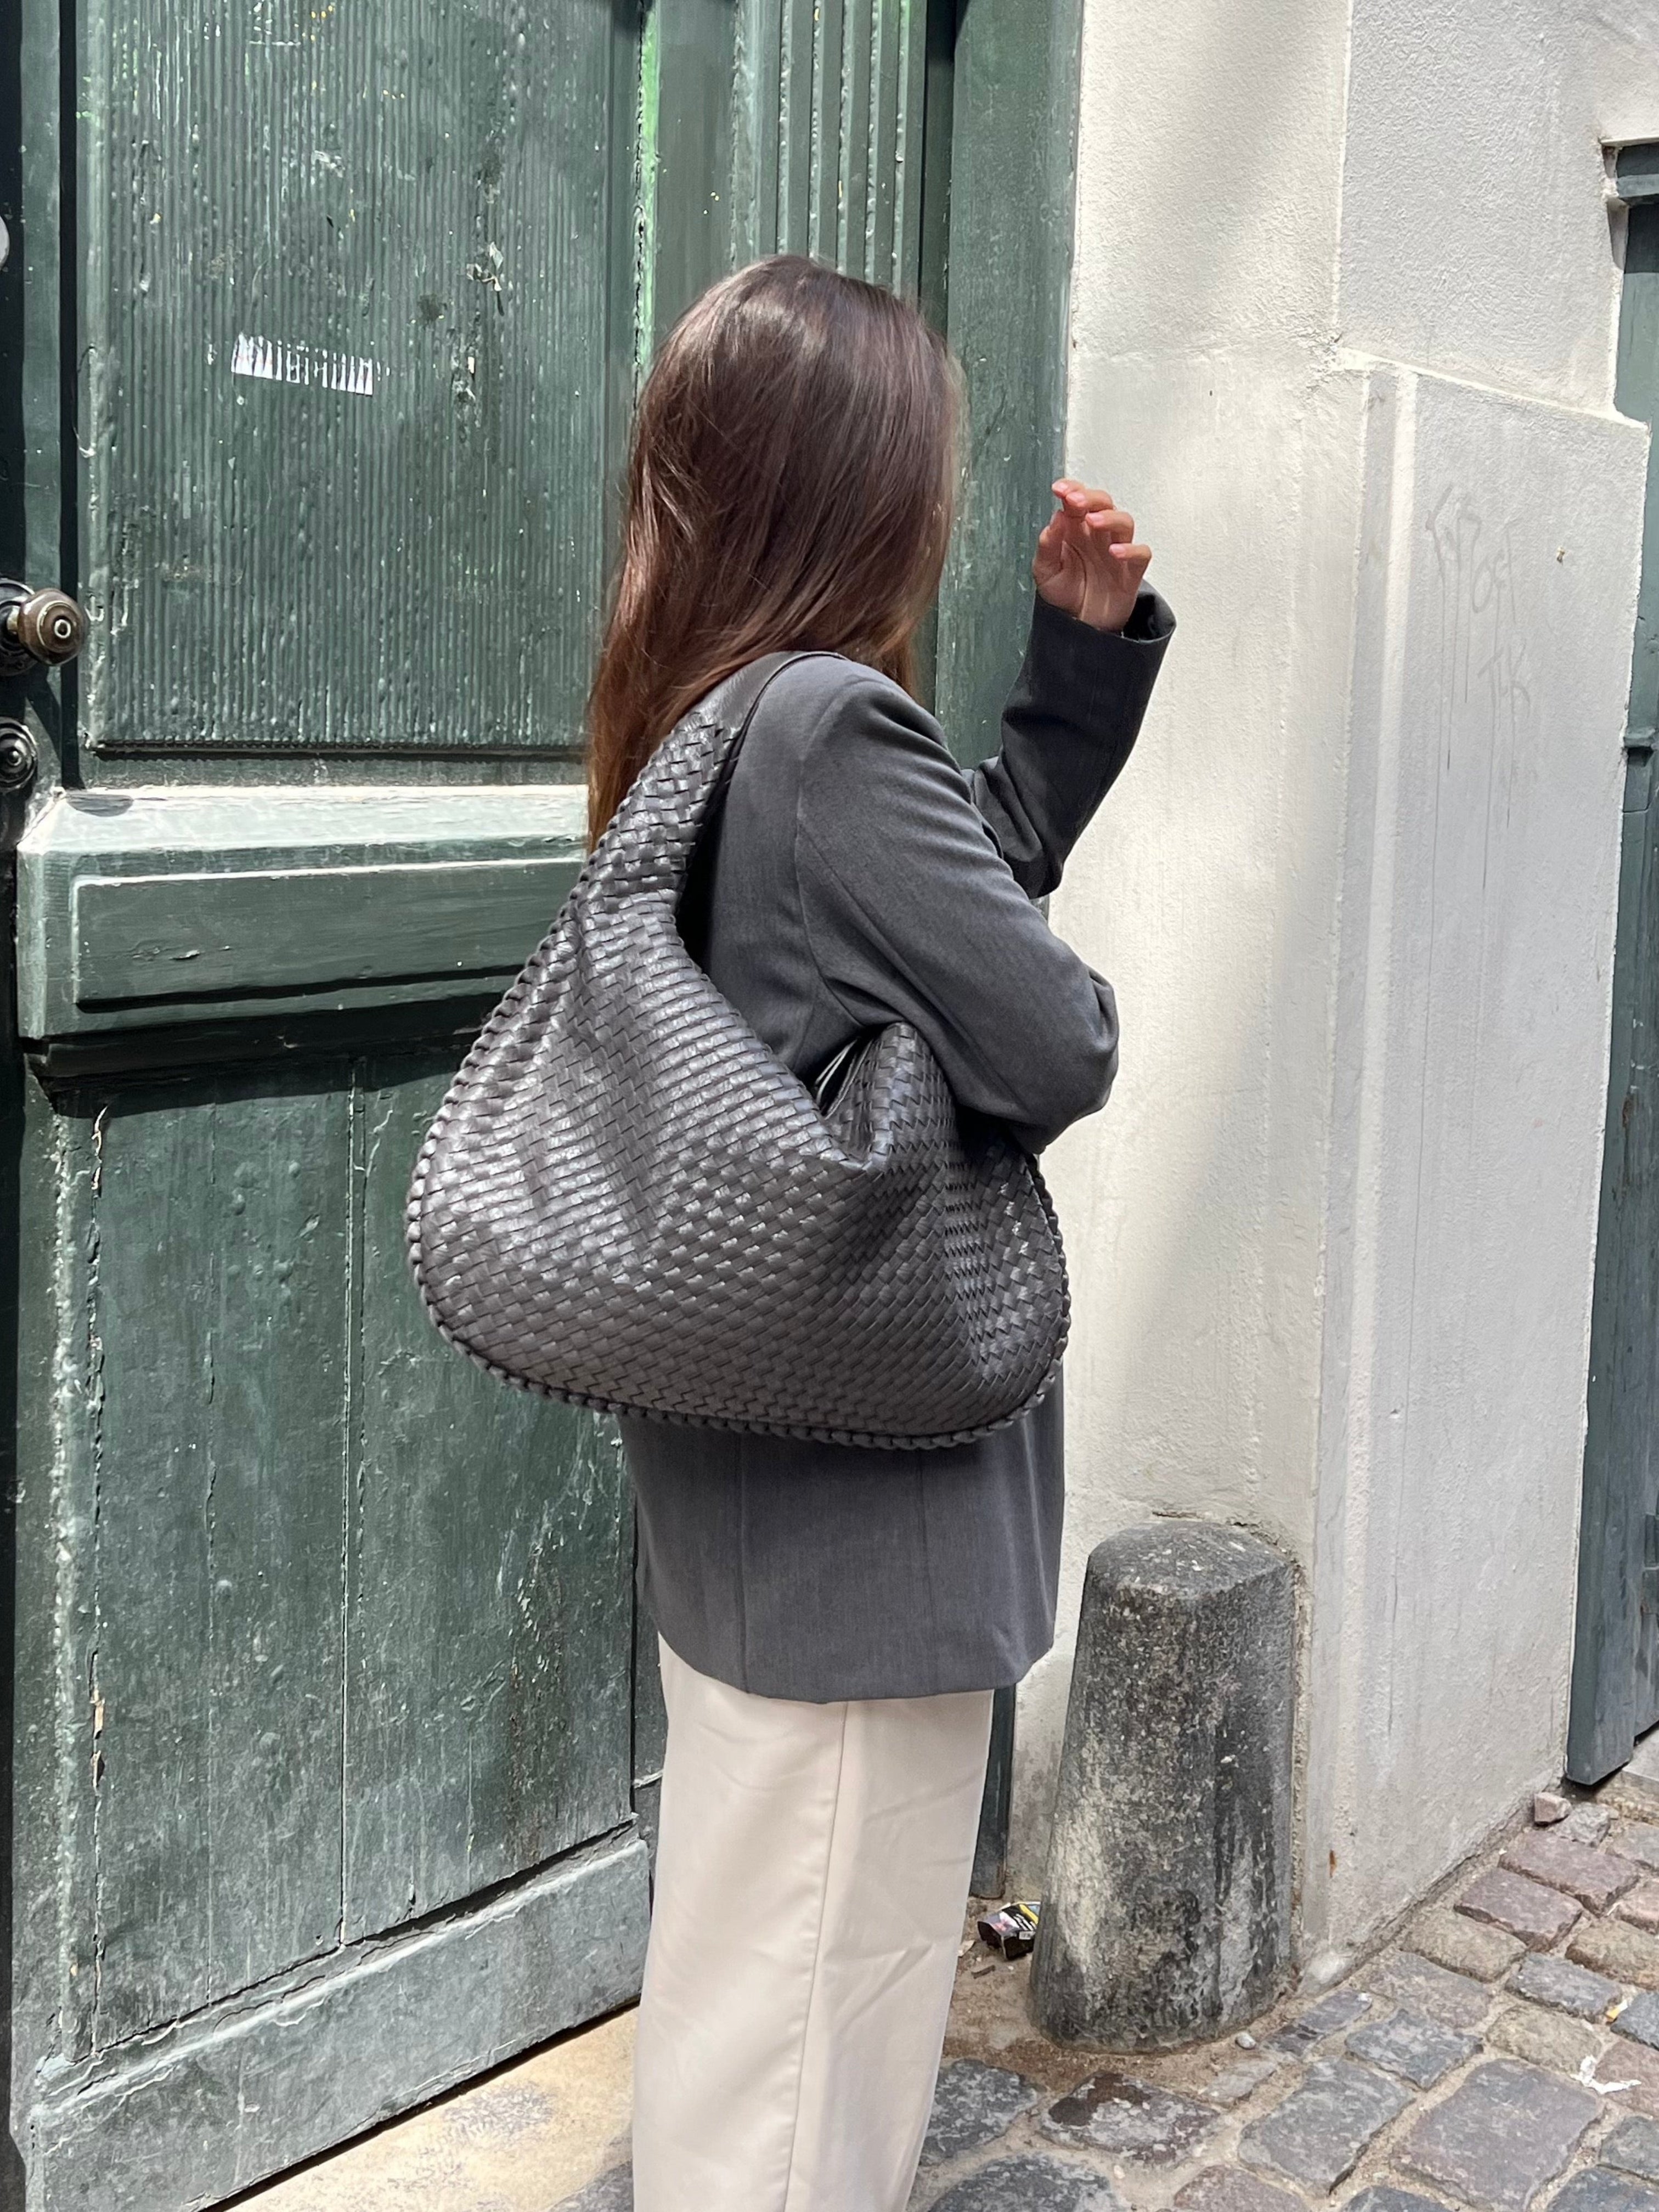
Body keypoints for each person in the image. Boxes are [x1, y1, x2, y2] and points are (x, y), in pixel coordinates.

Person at [585, 255, 1173, 2212]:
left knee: (751, 2007)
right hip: (860, 1504)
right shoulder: (833, 729)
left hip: (766, 1499)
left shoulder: (708, 710)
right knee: (805, 2080)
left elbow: (938, 909)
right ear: (859, 488)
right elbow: (1055, 1032)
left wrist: (1072, 676)